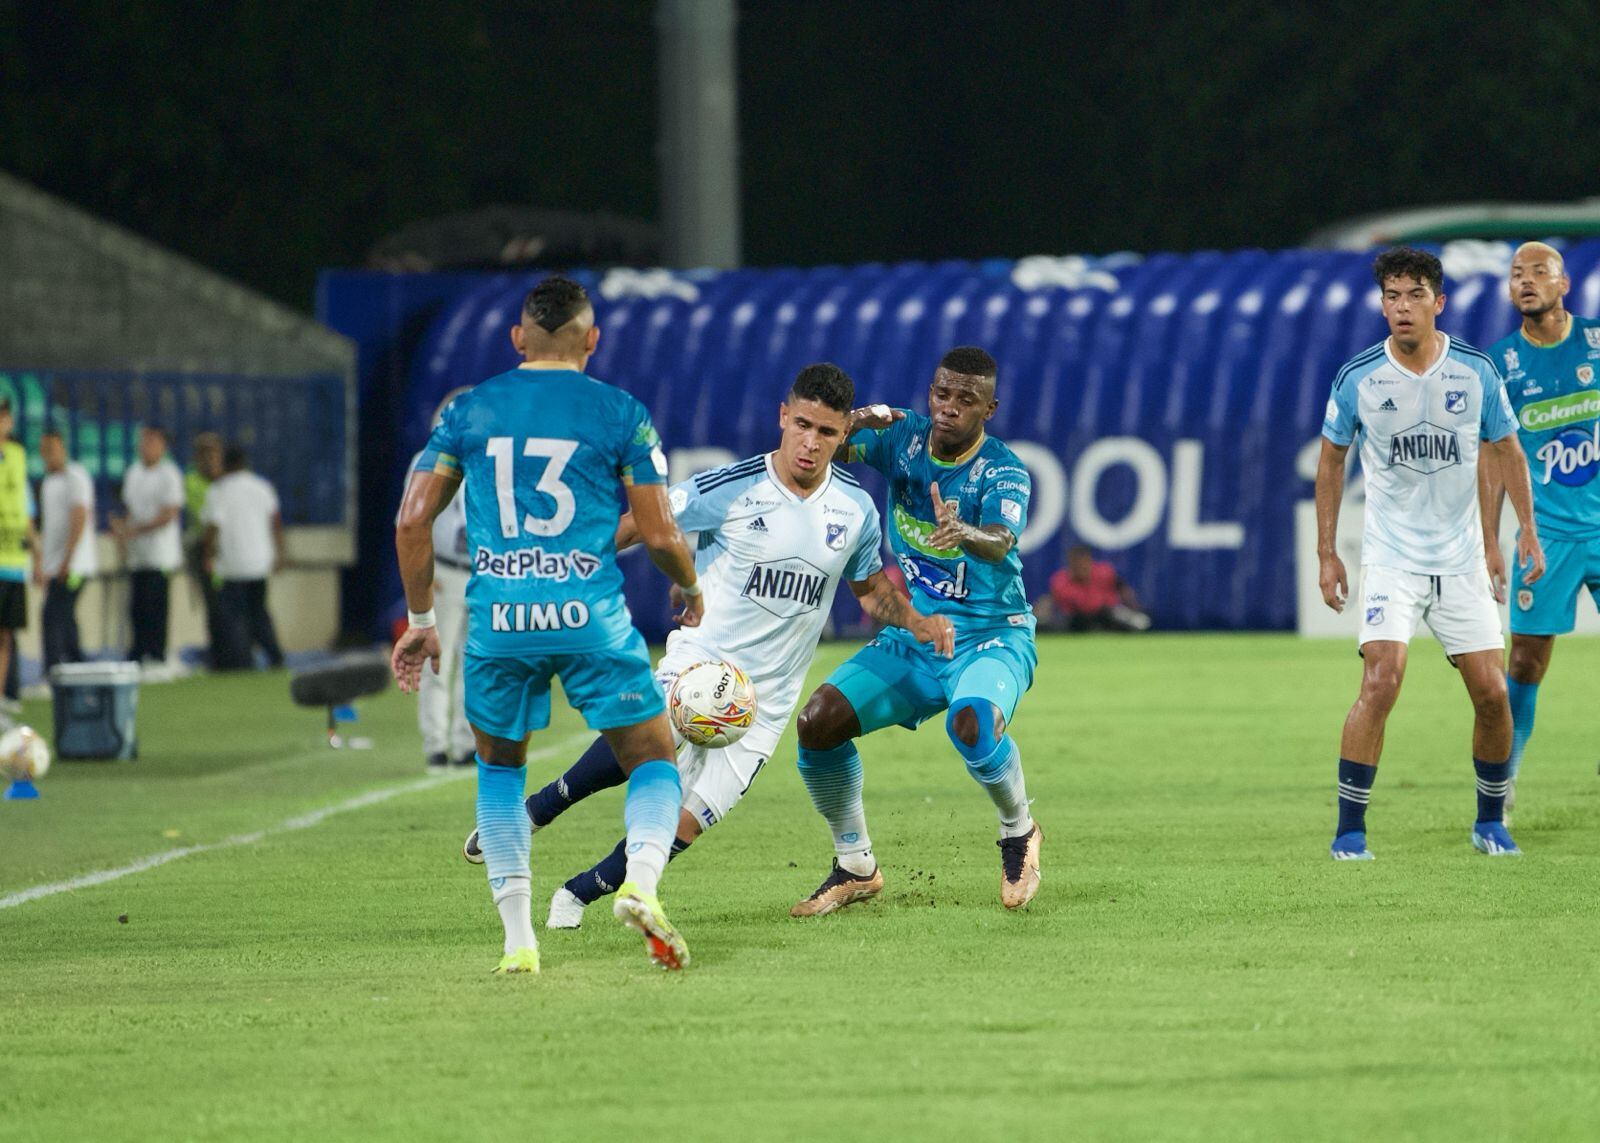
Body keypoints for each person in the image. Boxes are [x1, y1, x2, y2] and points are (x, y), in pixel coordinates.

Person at [461, 363, 953, 931]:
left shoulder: (856, 511)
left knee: (690, 820)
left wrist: (914, 620)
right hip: (702, 661)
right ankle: (535, 812)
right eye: (801, 425)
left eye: (825, 432)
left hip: (763, 703)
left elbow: (870, 591)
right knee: (647, 747)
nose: (810, 443)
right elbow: (644, 523)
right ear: (782, 418)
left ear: (844, 435)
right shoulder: (733, 486)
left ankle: (578, 892)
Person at [391, 276, 703, 975]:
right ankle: (641, 886)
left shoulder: (470, 410)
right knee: (654, 756)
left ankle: (517, 943)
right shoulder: (620, 412)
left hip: (499, 618)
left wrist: (420, 620)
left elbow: (412, 519)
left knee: (500, 770)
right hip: (589, 614)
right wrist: (688, 584)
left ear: (516, 339)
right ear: (592, 340)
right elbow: (658, 532)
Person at [790, 346, 1043, 915]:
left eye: (966, 400)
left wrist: (967, 532)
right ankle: (855, 864)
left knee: (972, 723)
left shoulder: (1002, 470)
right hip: (920, 633)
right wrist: (854, 421)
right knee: (817, 724)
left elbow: (1003, 540)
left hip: (991, 634)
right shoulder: (901, 438)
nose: (949, 408)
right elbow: (816, 444)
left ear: (990, 409)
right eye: (941, 394)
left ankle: (1018, 831)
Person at [1316, 246, 1543, 861]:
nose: (1403, 307)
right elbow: (1332, 459)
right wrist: (1327, 553)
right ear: (1382, 305)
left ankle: (1490, 822)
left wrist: (1524, 529)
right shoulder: (1359, 376)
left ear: (1438, 303)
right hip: (1391, 558)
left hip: (1462, 558)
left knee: (1492, 692)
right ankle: (1350, 831)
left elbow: (1507, 450)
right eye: (1392, 296)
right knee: (1382, 679)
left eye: (1415, 295)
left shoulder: (1475, 371)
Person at [1484, 242, 1600, 811]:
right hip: (1545, 538)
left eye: (1539, 272)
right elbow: (1494, 460)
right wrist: (1490, 541)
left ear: (1565, 284)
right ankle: (1502, 783)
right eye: (1516, 275)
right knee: (1526, 660)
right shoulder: (1499, 365)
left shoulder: (1598, 346)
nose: (1525, 281)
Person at [399, 389, 476, 770]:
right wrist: (424, 575)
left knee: (476, 662)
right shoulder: (425, 461)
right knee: (436, 659)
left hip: (482, 571)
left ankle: (466, 743)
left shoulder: (489, 459)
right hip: (444, 569)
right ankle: (435, 741)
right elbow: (412, 521)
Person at [201, 444, 285, 670]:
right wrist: (281, 554)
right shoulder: (262, 487)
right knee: (258, 612)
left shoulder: (218, 490)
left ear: (226, 464)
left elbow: (212, 528)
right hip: (259, 562)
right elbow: (275, 523)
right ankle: (275, 655)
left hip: (232, 565)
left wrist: (207, 554)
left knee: (234, 617)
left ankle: (241, 661)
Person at [115, 426, 185, 664]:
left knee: (156, 607)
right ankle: (138, 652)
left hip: (160, 555)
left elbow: (170, 513)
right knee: (137, 608)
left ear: (162, 445)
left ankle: (157, 654)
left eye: (152, 441)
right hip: (138, 555)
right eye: (143, 441)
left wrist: (136, 529)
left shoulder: (170, 474)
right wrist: (121, 530)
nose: (145, 446)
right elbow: (127, 509)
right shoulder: (133, 472)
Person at [36, 430, 97, 671]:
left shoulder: (76, 476)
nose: (47, 454)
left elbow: (79, 517)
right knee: (66, 617)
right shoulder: (48, 482)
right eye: (44, 449)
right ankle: (77, 665)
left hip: (74, 565)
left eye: (52, 448)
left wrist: (67, 559)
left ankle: (53, 669)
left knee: (52, 616)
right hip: (56, 564)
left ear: (63, 448)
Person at [0, 398, 37, 717]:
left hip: (12, 561)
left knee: (6, 635)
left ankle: (0, 701)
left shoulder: (17, 456)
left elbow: (25, 511)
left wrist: (36, 554)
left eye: (5, 417)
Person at [1035, 543, 1151, 632]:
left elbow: (1124, 591)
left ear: (1090, 561)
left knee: (1118, 616)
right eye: (1076, 564)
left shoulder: (1104, 572)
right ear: (1070, 564)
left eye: (1083, 563)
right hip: (1077, 620)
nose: (1081, 567)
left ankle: (1130, 623)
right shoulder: (1061, 581)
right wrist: (1039, 616)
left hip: (1107, 615)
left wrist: (1135, 608)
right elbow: (1048, 600)